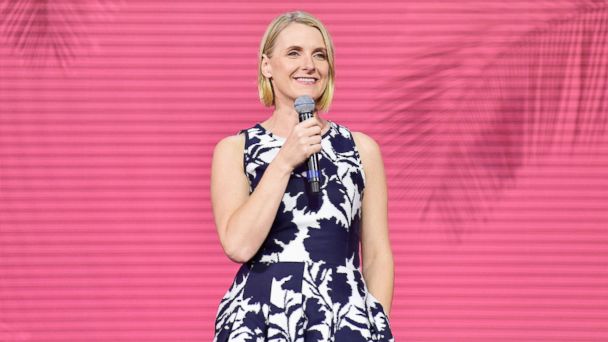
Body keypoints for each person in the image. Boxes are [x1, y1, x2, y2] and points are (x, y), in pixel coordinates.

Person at [211, 10, 394, 341]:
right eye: (293, 52)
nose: (308, 64)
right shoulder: (235, 149)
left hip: (343, 315)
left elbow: (378, 253)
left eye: (319, 54)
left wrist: (373, 319)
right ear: (267, 65)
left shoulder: (361, 149)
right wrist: (284, 161)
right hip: (260, 316)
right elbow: (238, 245)